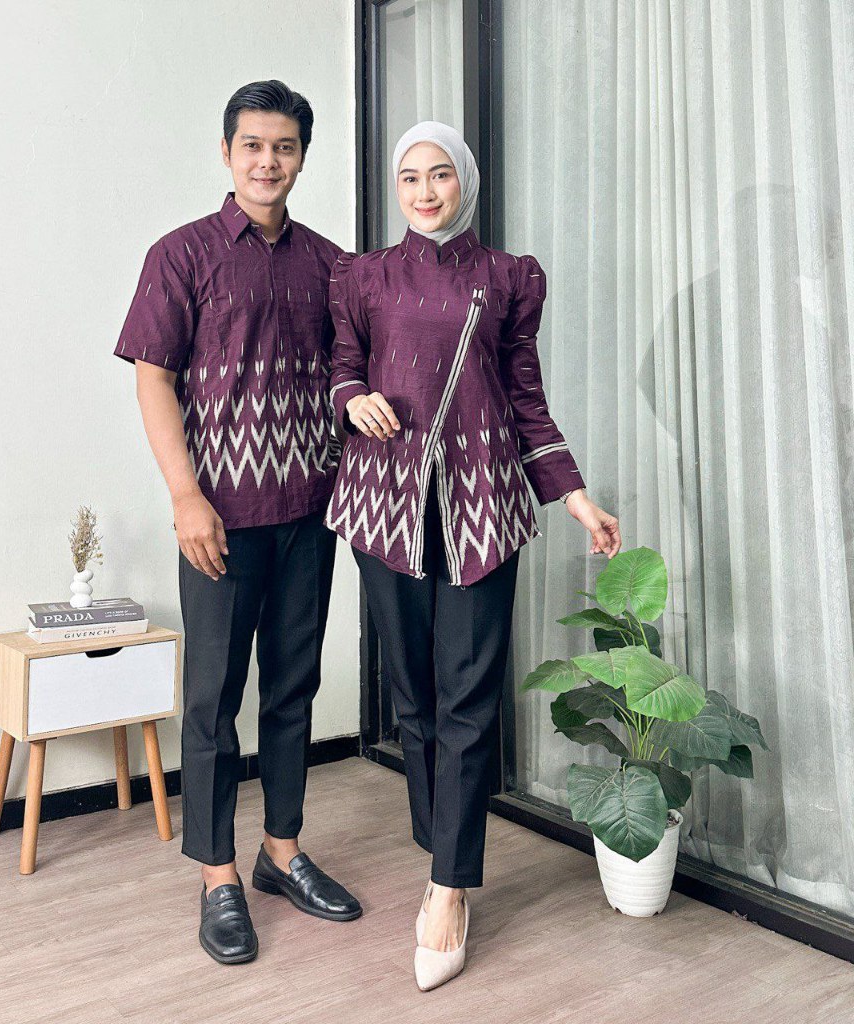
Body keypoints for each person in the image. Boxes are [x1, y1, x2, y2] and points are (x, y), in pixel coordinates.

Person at [325, 121, 621, 990]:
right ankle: (440, 844)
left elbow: (526, 397)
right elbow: (341, 365)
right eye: (409, 177)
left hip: (482, 507)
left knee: (466, 697)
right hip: (386, 505)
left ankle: (450, 887)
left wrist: (573, 493)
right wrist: (353, 396)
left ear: (466, 181)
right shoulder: (362, 276)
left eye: (440, 175)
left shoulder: (511, 277)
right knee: (414, 697)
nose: (424, 191)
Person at [114, 80, 361, 967]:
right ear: (227, 153)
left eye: (284, 147)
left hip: (310, 512)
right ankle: (217, 874)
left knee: (293, 688)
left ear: (302, 157)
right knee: (214, 700)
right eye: (253, 145)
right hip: (218, 518)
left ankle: (281, 853)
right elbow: (152, 375)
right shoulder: (180, 255)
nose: (268, 161)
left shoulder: (332, 264)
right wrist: (186, 496)